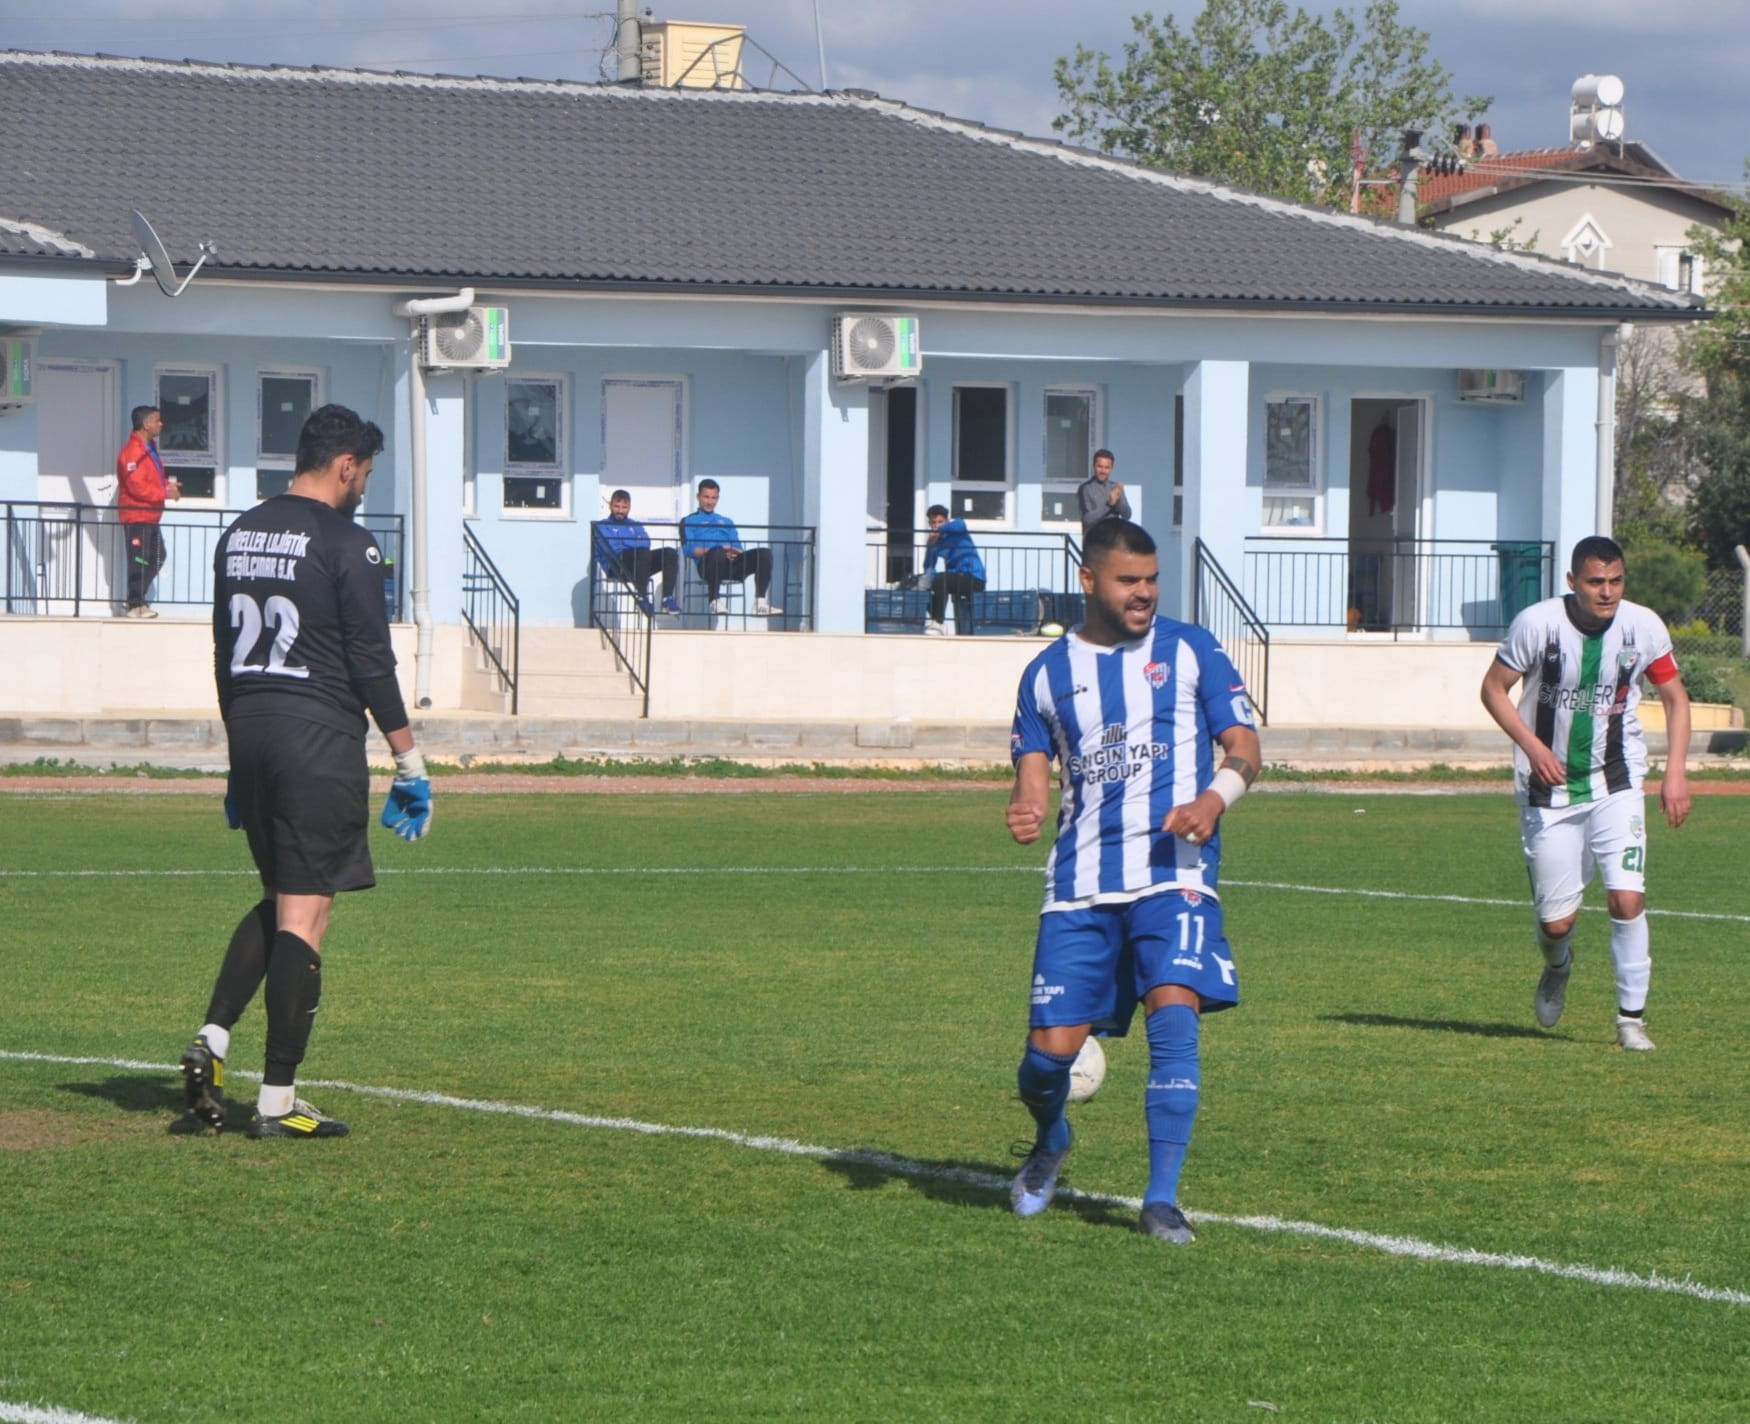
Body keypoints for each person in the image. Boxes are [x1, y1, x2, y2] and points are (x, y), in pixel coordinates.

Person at [178, 403, 433, 1139]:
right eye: (367, 473)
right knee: (308, 912)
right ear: (346, 464)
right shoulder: (349, 543)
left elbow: (223, 650)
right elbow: (371, 664)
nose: (365, 487)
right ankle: (277, 1103)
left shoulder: (239, 532)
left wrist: (236, 757)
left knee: (279, 896)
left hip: (251, 728)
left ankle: (214, 1040)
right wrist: (409, 762)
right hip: (316, 737)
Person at [1005, 517, 1261, 1244]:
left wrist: (1214, 800)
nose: (1144, 592)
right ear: (1089, 581)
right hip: (1080, 884)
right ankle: (1052, 1138)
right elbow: (1033, 771)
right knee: (1042, 1062)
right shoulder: (1047, 674)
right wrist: (1026, 805)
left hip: (1173, 874)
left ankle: (1161, 1199)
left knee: (1173, 1019)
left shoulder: (1190, 650)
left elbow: (1244, 745)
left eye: (1152, 579)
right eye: (1129, 580)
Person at [1479, 534, 1691, 1051]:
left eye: (1616, 580)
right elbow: (1492, 689)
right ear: (1572, 582)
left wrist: (1676, 772)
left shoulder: (1643, 626)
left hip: (1617, 780)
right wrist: (1532, 746)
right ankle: (1558, 965)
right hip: (1549, 789)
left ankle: (1630, 1021)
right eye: (1596, 582)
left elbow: (1675, 698)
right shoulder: (1537, 624)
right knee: (1557, 924)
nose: (1607, 591)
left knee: (1627, 897)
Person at [679, 478, 779, 616]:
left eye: (714, 498)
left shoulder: (727, 521)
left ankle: (760, 603)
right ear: (698, 497)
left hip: (732, 565)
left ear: (718, 498)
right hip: (708, 565)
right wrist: (712, 550)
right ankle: (714, 601)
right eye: (706, 497)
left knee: (764, 553)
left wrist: (734, 551)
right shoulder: (688, 521)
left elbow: (738, 546)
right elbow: (688, 550)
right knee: (717, 551)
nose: (710, 502)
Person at [116, 404, 180, 617]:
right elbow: (136, 485)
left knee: (158, 556)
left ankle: (136, 600)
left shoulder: (149, 447)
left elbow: (154, 479)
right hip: (137, 515)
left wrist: (168, 487)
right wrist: (164, 493)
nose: (161, 424)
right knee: (140, 560)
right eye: (157, 420)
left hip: (150, 516)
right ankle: (135, 604)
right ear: (146, 424)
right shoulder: (132, 452)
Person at [595, 488, 680, 616]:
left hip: (639, 563)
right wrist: (633, 542)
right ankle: (642, 597)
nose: (620, 510)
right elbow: (610, 549)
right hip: (617, 566)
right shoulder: (602, 525)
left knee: (670, 553)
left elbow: (646, 543)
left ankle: (667, 599)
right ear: (610, 506)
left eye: (624, 507)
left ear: (629, 508)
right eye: (617, 506)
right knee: (641, 553)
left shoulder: (635, 525)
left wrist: (624, 542)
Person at [922, 503, 986, 636]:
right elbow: (929, 566)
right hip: (956, 578)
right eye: (933, 522)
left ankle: (938, 622)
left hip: (974, 577)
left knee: (941, 579)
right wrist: (931, 546)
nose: (936, 525)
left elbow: (961, 524)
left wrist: (940, 529)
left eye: (940, 522)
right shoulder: (937, 540)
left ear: (947, 521)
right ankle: (935, 619)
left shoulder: (957, 531)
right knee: (923, 584)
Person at [1076, 448, 1130, 536]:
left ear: (1111, 468)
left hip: (1112, 539)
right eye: (1100, 466)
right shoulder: (1085, 488)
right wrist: (1109, 504)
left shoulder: (1115, 487)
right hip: (1094, 541)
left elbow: (1127, 515)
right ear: (1094, 466)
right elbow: (1087, 519)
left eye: (1107, 468)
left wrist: (1118, 501)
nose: (1103, 471)